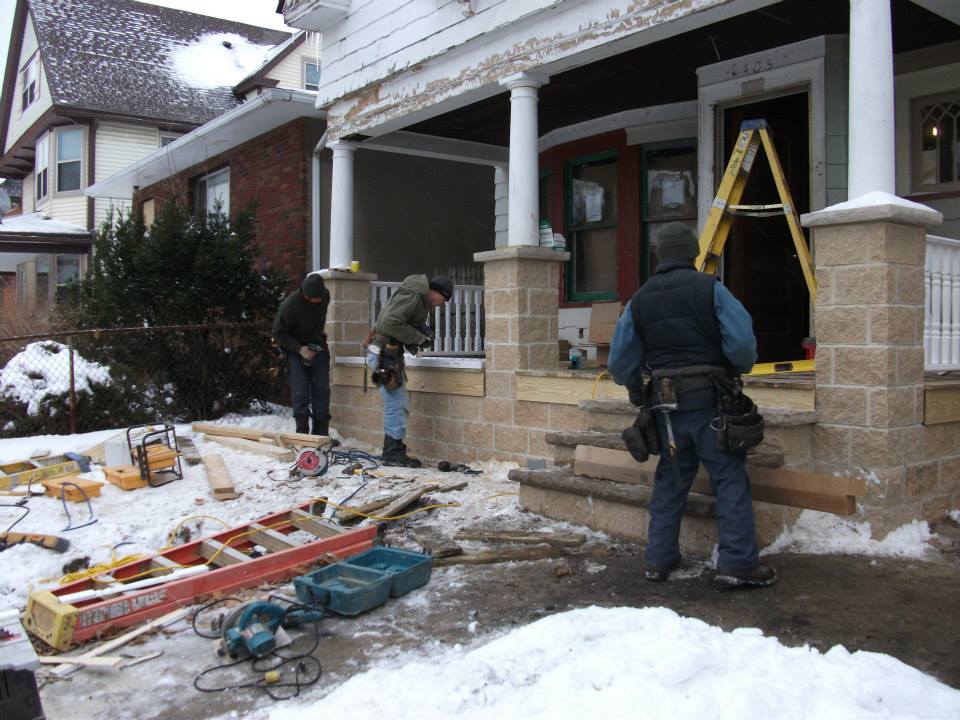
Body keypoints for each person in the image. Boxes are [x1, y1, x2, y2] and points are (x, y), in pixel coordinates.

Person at [607, 222, 776, 589]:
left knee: (670, 478)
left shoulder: (640, 299)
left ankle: (659, 559)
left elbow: (621, 362)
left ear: (660, 256)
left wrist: (638, 391)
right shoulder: (711, 290)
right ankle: (737, 563)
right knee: (728, 478)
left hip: (665, 406)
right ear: (692, 253)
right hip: (712, 401)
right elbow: (742, 344)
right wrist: (734, 368)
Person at [366, 274, 453, 467]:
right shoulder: (413, 296)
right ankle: (392, 453)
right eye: (443, 299)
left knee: (397, 401)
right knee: (396, 402)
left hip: (388, 353)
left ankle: (394, 450)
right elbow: (390, 323)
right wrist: (419, 338)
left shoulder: (417, 297)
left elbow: (397, 325)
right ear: (436, 291)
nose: (442, 304)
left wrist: (415, 339)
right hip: (383, 353)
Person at [272, 272, 331, 437]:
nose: (317, 301)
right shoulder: (290, 306)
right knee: (301, 393)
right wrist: (300, 349)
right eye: (313, 298)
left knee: (322, 391)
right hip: (295, 350)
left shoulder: (324, 295)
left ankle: (321, 436)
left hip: (317, 346)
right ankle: (302, 435)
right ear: (305, 295)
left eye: (319, 297)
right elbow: (278, 333)